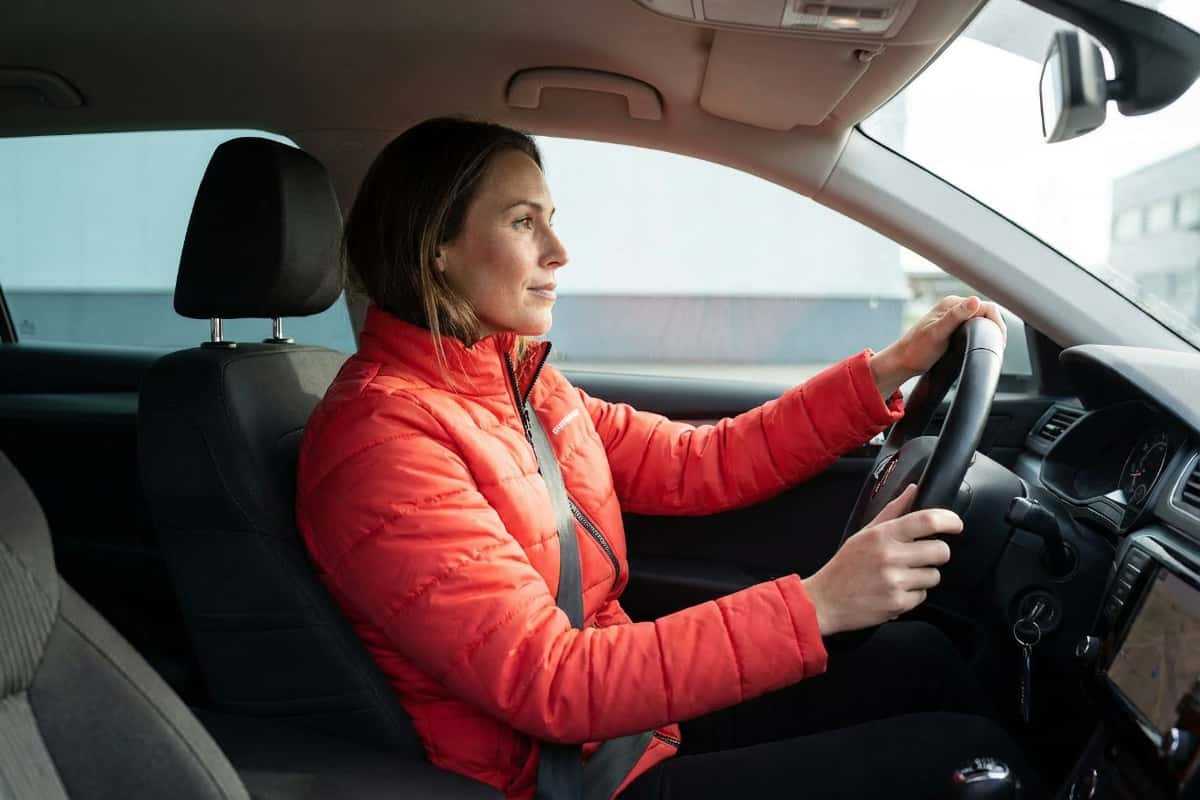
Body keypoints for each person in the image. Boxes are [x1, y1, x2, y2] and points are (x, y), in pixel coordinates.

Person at [296, 117, 1039, 800]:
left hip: (622, 726)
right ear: (437, 247)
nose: (559, 252)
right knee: (966, 757)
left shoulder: (517, 384)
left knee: (923, 659)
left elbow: (698, 462)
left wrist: (885, 372)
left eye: (551, 221)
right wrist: (817, 604)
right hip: (565, 776)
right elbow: (549, 681)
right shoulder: (382, 441)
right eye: (523, 223)